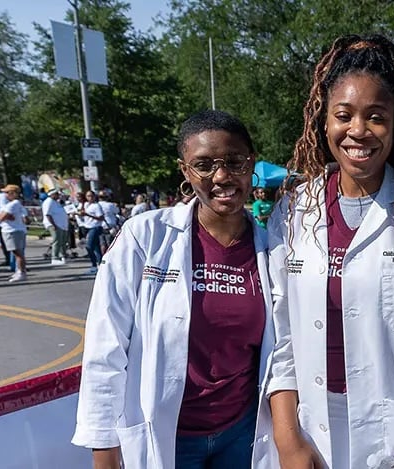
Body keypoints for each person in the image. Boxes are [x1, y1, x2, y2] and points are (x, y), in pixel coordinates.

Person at [262, 35, 394, 469]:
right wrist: (288, 441)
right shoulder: (293, 211)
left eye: (376, 117)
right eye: (343, 115)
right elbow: (279, 334)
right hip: (313, 432)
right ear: (324, 123)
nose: (358, 130)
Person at [72, 110, 274, 469]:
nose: (222, 176)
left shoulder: (272, 248)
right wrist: (103, 448)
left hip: (242, 433)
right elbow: (106, 344)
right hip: (168, 435)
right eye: (204, 164)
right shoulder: (146, 237)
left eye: (234, 161)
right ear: (185, 171)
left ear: (251, 163)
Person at [0, 184, 29, 282]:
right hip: (12, 229)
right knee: (16, 253)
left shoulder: (14, 204)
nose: (5, 195)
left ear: (14, 193)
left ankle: (21, 272)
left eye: (7, 192)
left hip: (13, 230)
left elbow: (1, 217)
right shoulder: (10, 204)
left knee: (17, 253)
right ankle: (19, 271)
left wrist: (1, 215)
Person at [79, 190, 105, 275]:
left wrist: (88, 215)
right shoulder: (86, 205)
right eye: (88, 196)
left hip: (95, 227)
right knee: (96, 247)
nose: (89, 198)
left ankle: (94, 265)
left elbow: (101, 218)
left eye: (91, 196)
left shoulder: (96, 206)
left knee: (89, 246)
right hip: (88, 227)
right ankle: (100, 265)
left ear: (94, 197)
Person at [42, 188, 69, 265]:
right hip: (54, 224)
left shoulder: (56, 202)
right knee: (56, 241)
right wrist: (53, 225)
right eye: (56, 194)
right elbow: (48, 214)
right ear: (52, 194)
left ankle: (62, 256)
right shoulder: (48, 202)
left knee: (62, 241)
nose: (58, 196)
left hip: (61, 225)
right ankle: (55, 257)